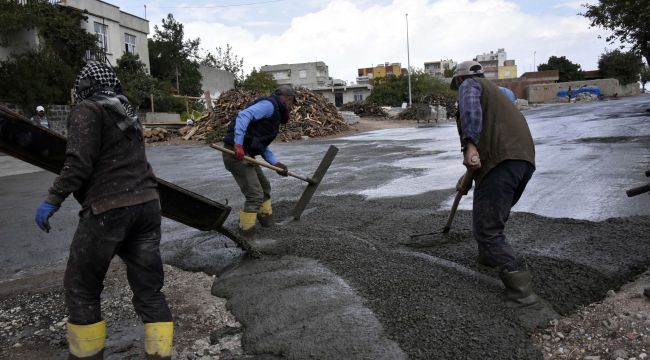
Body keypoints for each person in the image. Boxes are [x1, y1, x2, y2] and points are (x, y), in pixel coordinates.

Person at [33, 62, 173, 359]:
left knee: (82, 285)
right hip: (147, 206)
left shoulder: (88, 110)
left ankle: (86, 355)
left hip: (111, 208)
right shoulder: (126, 111)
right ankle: (161, 354)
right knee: (149, 288)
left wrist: (52, 199)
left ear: (85, 87)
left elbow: (78, 164)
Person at [451, 60, 542, 308]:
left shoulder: (469, 85)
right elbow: (481, 158)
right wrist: (467, 179)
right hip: (521, 161)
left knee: (488, 228)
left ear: (458, 80)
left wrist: (469, 144)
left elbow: (470, 112)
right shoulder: (497, 95)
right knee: (490, 214)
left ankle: (522, 292)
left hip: (501, 163)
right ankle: (489, 257)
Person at [222, 85, 295, 239]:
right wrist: (238, 144)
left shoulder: (274, 115)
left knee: (265, 187)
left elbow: (260, 145)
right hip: (235, 154)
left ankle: (267, 224)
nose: (291, 108)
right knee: (255, 195)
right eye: (291, 103)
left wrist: (276, 163)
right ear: (287, 99)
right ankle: (246, 237)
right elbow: (244, 116)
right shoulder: (269, 105)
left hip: (246, 154)